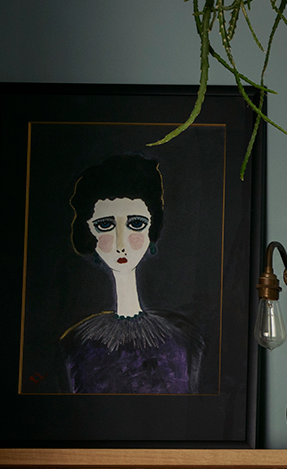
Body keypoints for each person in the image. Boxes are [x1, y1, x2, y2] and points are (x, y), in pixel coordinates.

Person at [60, 154, 203, 393]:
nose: (120, 243)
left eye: (135, 224)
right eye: (105, 225)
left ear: (151, 230)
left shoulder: (184, 341)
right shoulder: (74, 345)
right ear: (89, 234)